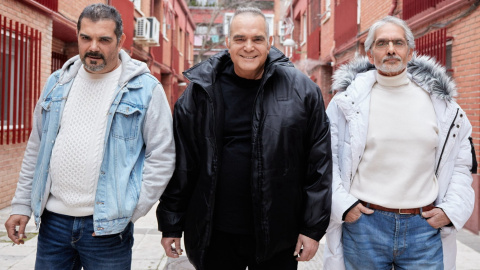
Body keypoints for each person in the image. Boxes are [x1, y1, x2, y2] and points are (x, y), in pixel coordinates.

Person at [156, 7, 332, 270]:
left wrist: (312, 227)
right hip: (215, 234)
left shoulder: (302, 91)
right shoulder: (200, 92)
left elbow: (318, 164)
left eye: (257, 39)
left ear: (270, 42)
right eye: (240, 39)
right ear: (228, 43)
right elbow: (183, 163)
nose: (248, 47)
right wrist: (171, 222)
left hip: (278, 233)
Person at [4, 3, 175, 269]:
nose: (93, 47)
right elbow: (36, 149)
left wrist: (130, 209)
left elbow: (162, 156)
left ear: (120, 41)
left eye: (104, 39)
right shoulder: (57, 82)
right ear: (78, 36)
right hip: (53, 224)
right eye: (86, 38)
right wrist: (21, 205)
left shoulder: (145, 89)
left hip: (107, 229)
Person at [323, 16, 475, 270]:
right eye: (382, 43)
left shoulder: (443, 106)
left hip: (423, 228)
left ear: (410, 52)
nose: (391, 49)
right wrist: (344, 206)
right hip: (364, 227)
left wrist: (450, 212)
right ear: (370, 55)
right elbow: (328, 160)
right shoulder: (346, 103)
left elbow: (461, 164)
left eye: (398, 43)